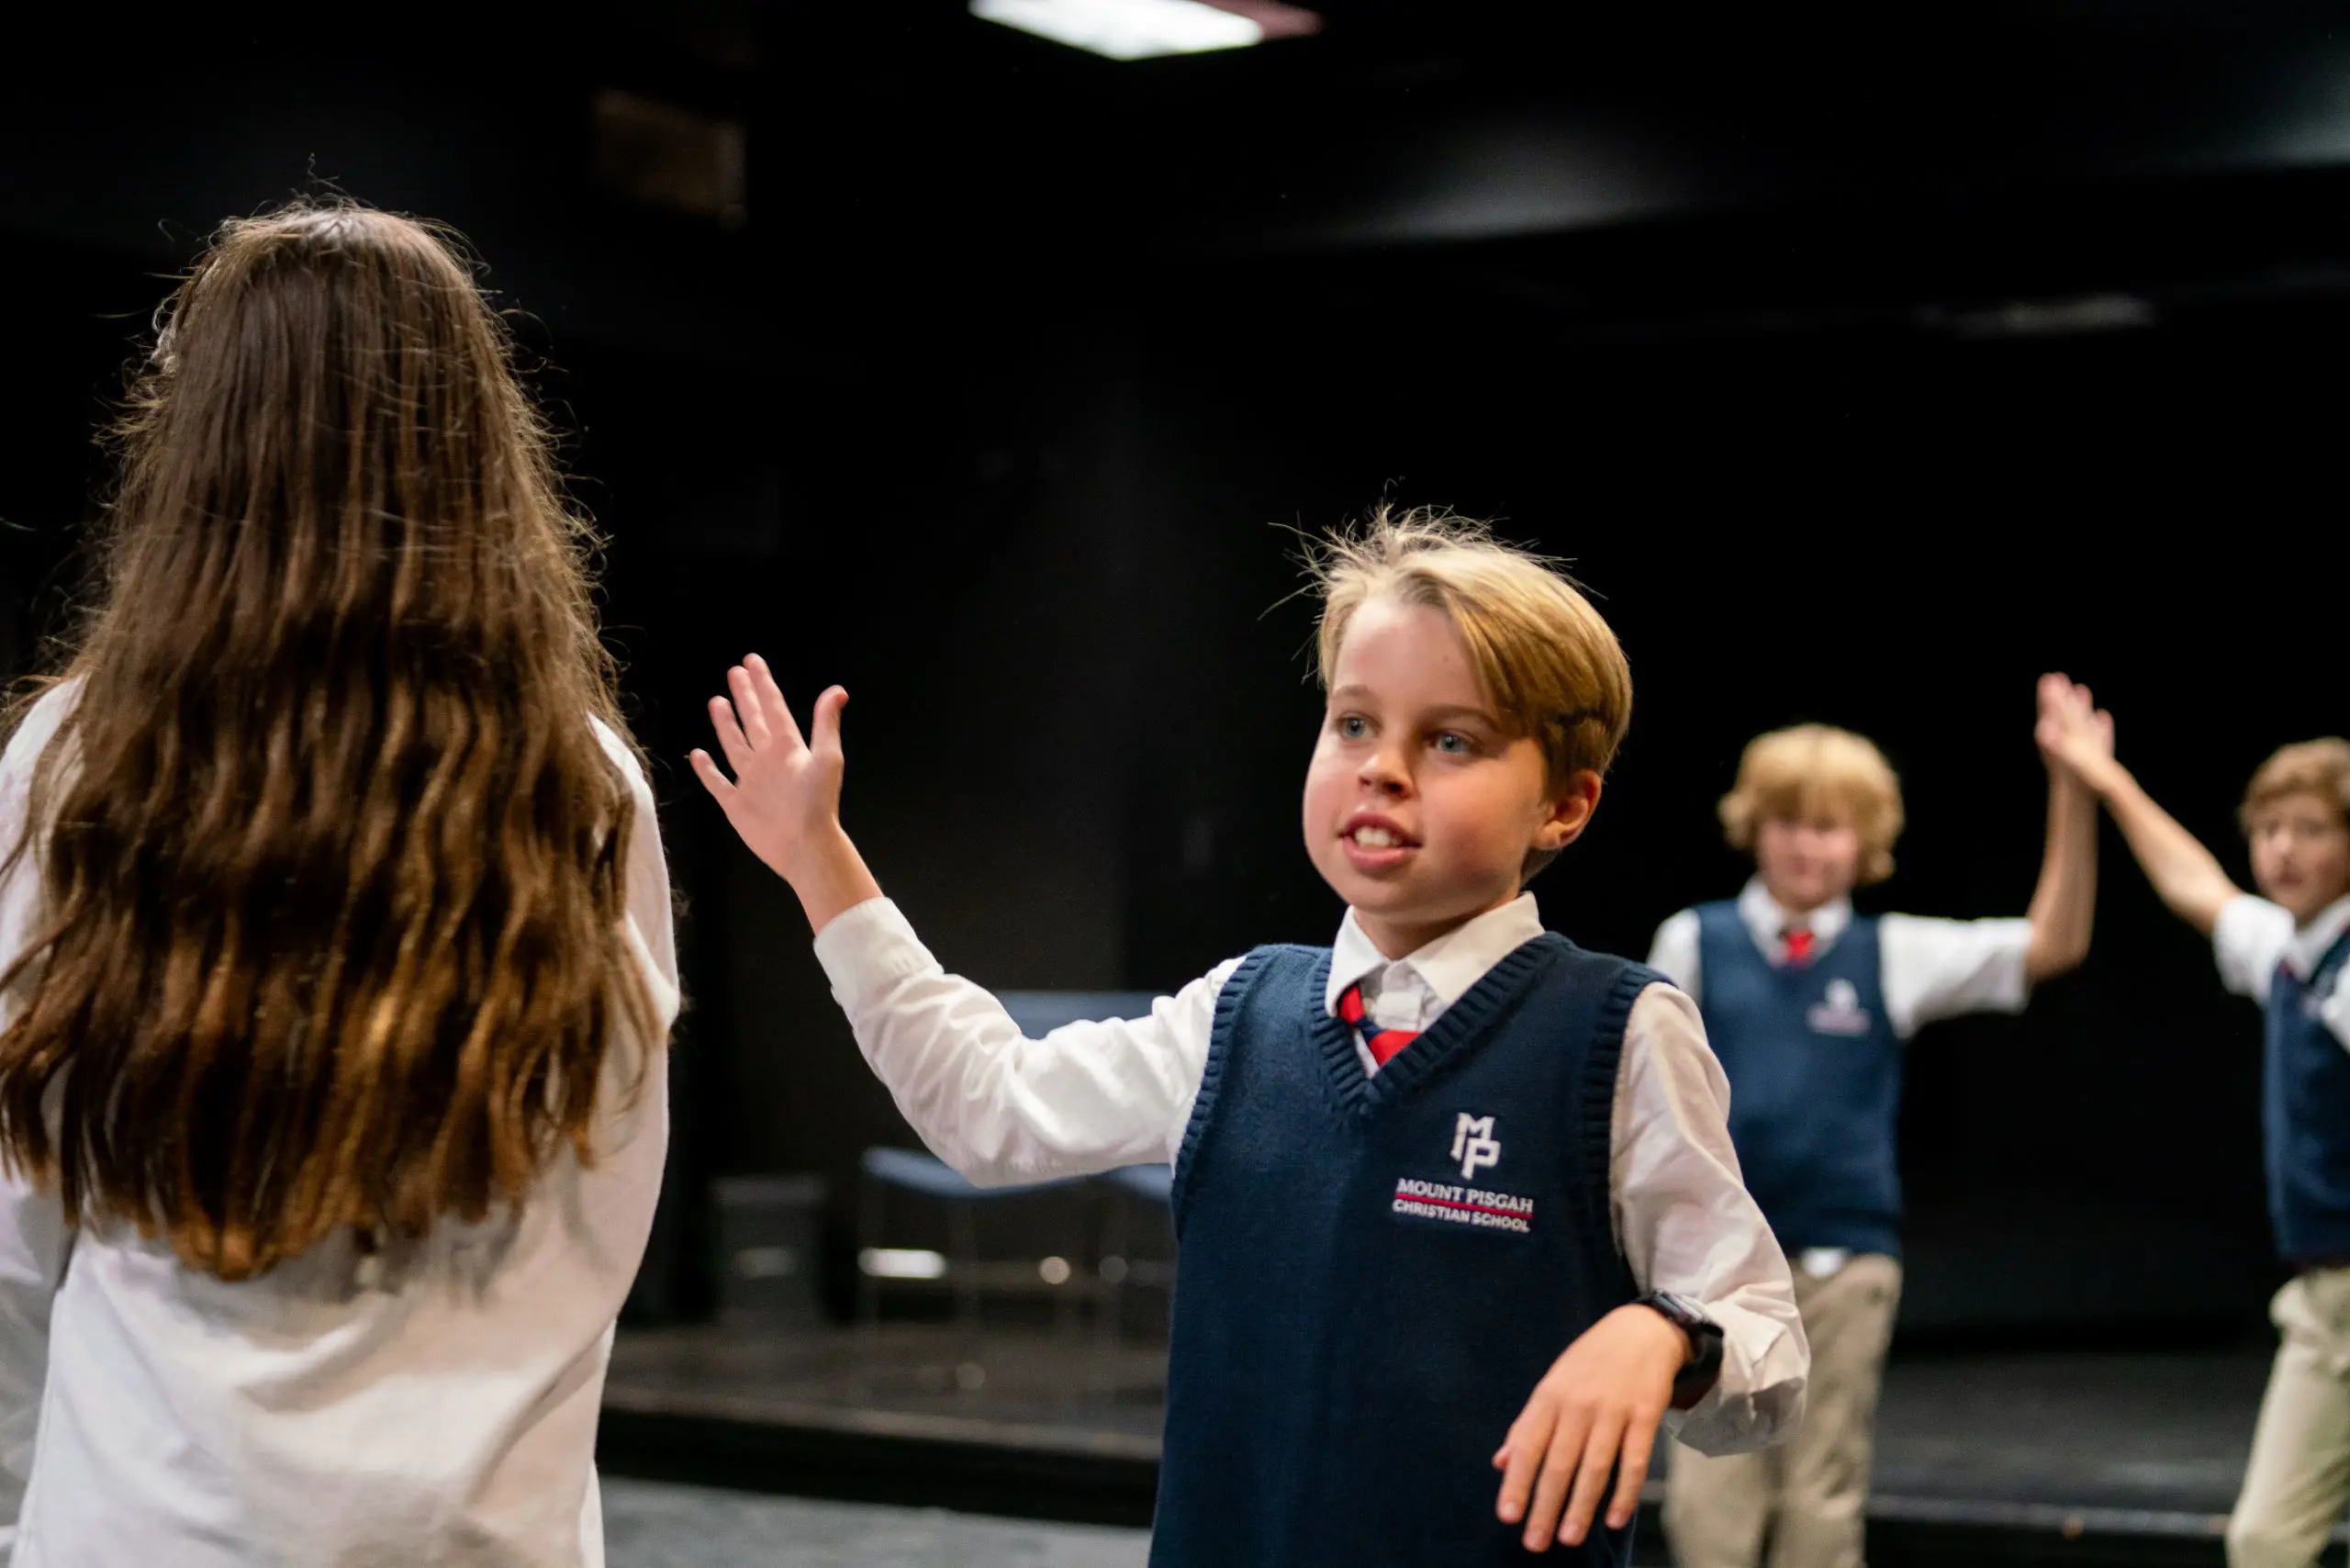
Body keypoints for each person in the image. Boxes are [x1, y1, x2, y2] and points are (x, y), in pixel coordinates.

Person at [691, 508, 1807, 1565]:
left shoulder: (1614, 1034)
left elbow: (1762, 1346)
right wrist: (817, 864)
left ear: (1564, 806)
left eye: (1452, 739)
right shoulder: (1239, 1014)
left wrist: (1667, 1340)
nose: (1383, 765)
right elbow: (985, 1109)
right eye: (1355, 721)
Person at [0, 202, 679, 1566]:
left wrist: (24, 1497)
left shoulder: (75, 757)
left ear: (196, 443)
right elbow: (603, 1191)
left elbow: (20, 1201)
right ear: (479, 447)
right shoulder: (584, 780)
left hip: (140, 1518)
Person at [1651, 689, 2101, 1568]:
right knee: (1710, 1505)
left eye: (1830, 826)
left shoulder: (1888, 952)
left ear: (1865, 841)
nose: (1807, 844)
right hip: (1719, 1271)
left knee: (1821, 1497)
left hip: (1842, 1262)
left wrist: (2072, 787)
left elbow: (2052, 943)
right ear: (1754, 827)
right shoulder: (1693, 942)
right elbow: (1653, 1100)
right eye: (1788, 821)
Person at [2036, 705, 2350, 1568]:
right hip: (2325, 1307)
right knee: (2265, 1541)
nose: (2284, 848)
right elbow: (2197, 888)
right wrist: (2105, 780)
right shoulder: (2291, 949)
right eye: (2270, 828)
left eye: (2313, 829)